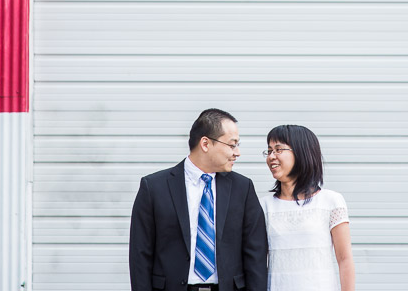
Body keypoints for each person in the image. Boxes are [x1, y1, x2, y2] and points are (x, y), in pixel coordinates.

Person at [129, 108, 268, 291]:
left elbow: (255, 254)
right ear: (205, 144)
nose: (237, 152)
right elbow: (140, 255)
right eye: (232, 145)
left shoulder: (242, 188)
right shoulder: (154, 187)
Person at [261, 125, 355, 291]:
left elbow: (345, 259)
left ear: (301, 152)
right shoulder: (264, 206)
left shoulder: (331, 201)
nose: (271, 157)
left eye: (278, 149)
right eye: (269, 151)